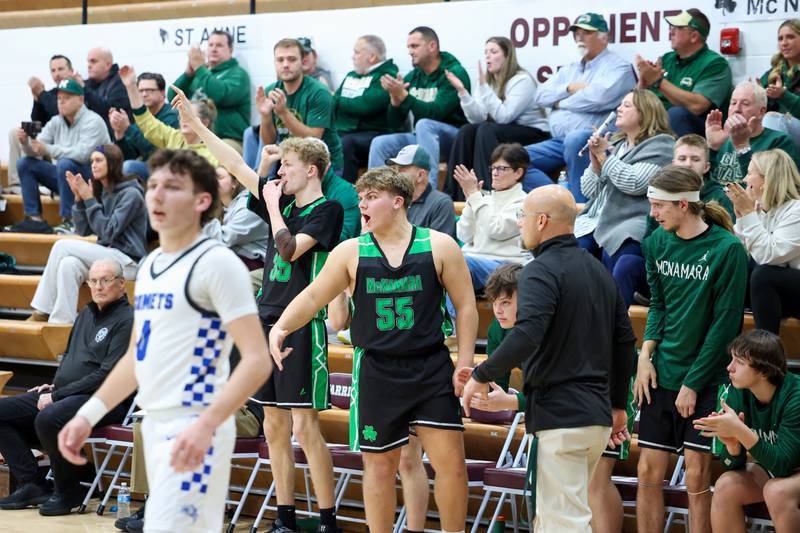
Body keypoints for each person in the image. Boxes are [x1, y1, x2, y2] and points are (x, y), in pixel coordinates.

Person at [58, 149, 272, 533]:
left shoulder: (217, 263)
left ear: (201, 201)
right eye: (153, 185)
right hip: (154, 422)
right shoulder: (151, 266)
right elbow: (135, 357)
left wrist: (207, 424)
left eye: (172, 187)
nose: (156, 194)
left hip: (197, 422)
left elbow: (257, 360)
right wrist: (87, 415)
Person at [268, 166, 478, 533]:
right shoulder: (351, 251)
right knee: (379, 467)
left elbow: (466, 305)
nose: (362, 204)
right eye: (361, 198)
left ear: (397, 202)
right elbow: (314, 296)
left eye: (371, 197)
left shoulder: (439, 245)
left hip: (430, 366)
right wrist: (282, 326)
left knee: (451, 466)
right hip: (377, 370)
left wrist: (465, 362)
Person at [461, 184, 636, 532]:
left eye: (522, 215)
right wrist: (618, 406)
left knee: (562, 523)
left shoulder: (539, 270)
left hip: (562, 416)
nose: (519, 222)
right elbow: (625, 344)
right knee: (557, 518)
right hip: (596, 417)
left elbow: (528, 334)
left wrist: (481, 374)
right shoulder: (600, 271)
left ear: (541, 221)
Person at [635, 165, 748, 533]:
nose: (653, 213)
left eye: (658, 206)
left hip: (707, 379)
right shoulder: (656, 242)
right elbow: (658, 305)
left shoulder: (728, 249)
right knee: (647, 471)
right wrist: (645, 355)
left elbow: (725, 326)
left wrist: (692, 384)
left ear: (683, 204)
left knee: (697, 475)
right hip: (662, 372)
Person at [0, 259, 133, 514]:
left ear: (121, 283)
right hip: (68, 393)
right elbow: (70, 358)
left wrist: (58, 394)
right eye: (93, 281)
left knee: (49, 418)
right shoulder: (86, 313)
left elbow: (108, 375)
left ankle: (68, 490)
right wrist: (54, 385)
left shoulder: (128, 320)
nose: (98, 286)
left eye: (105, 280)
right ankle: (32, 483)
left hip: (105, 399)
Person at [695, 329, 800, 533]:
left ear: (764, 371)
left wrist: (740, 431)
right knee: (726, 486)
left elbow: (783, 466)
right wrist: (733, 446)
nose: (729, 367)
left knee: (777, 491)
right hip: (781, 467)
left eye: (739, 362)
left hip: (788, 467)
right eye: (732, 359)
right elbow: (731, 464)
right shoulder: (738, 391)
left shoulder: (795, 396)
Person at [26, 144, 145, 324]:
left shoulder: (131, 194)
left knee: (61, 246)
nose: (93, 165)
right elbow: (83, 230)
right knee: (68, 264)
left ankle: (41, 311)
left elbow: (109, 231)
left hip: (127, 262)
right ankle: (60, 324)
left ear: (112, 163)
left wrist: (89, 199)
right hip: (106, 257)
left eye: (99, 160)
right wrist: (79, 200)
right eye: (92, 161)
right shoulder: (102, 191)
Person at [524, 13, 636, 202]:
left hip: (595, 138)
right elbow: (540, 96)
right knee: (517, 159)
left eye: (587, 32)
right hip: (559, 141)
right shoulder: (570, 69)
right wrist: (569, 88)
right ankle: (561, 201)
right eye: (577, 33)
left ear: (604, 37)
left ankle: (579, 209)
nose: (580, 37)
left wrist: (559, 102)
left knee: (575, 139)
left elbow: (599, 98)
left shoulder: (619, 67)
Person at [578, 89, 675, 305]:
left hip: (629, 224)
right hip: (597, 222)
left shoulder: (662, 145)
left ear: (645, 112)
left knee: (618, 248)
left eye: (626, 105)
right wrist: (595, 165)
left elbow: (635, 183)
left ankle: (611, 318)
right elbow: (588, 191)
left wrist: (604, 157)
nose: (619, 109)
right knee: (569, 254)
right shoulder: (618, 145)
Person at [445, 36, 549, 197]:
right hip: (503, 132)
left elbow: (504, 117)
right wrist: (462, 92)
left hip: (534, 133)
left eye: (493, 52)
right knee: (467, 130)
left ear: (507, 56)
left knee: (486, 129)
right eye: (486, 52)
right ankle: (453, 193)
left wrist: (484, 87)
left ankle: (487, 190)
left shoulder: (522, 80)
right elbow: (477, 118)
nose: (488, 56)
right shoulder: (486, 82)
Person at [367, 26, 471, 186]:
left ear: (432, 46)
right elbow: (394, 124)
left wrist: (404, 96)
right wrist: (395, 100)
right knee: (380, 143)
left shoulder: (453, 73)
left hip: (455, 139)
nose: (410, 51)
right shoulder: (413, 76)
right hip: (424, 137)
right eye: (408, 47)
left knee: (424, 125)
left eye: (414, 46)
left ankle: (428, 191)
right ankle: (376, 192)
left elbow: (436, 113)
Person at [13, 78, 110, 234]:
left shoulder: (93, 121)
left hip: (94, 181)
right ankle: (34, 219)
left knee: (65, 164)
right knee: (25, 163)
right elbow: (38, 149)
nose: (61, 102)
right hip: (67, 178)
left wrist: (47, 149)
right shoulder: (56, 121)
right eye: (59, 98)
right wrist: (26, 143)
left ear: (81, 100)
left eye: (67, 98)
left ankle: (69, 220)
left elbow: (83, 155)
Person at [727, 149, 800, 334]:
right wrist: (742, 216)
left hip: (792, 287)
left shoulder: (796, 210)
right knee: (729, 275)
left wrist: (748, 214)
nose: (745, 179)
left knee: (763, 275)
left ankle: (764, 348)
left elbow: (769, 256)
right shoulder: (760, 209)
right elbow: (737, 252)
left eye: (749, 173)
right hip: (782, 291)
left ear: (766, 180)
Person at [243, 38, 343, 173]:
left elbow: (313, 140)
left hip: (322, 165)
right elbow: (268, 141)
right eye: (280, 60)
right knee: (261, 146)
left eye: (292, 59)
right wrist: (265, 116)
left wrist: (283, 113)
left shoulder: (319, 92)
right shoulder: (271, 91)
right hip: (289, 161)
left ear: (303, 62)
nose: (285, 64)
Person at [636, 9, 732, 138]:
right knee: (629, 111)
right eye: (671, 28)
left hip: (698, 131)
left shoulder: (715, 64)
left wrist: (658, 81)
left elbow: (698, 105)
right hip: (660, 125)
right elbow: (643, 101)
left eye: (677, 28)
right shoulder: (667, 59)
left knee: (676, 114)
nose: (670, 32)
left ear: (694, 36)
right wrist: (643, 84)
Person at [453, 143, 529, 295]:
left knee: (459, 264)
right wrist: (471, 199)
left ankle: (453, 313)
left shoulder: (524, 202)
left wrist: (474, 195)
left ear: (518, 172)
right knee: (439, 260)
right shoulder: (483, 200)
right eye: (493, 168)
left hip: (506, 266)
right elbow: (464, 235)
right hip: (473, 263)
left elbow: (496, 230)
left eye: (501, 168)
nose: (495, 173)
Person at [120, 65, 218, 166]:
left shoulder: (214, 153)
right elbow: (146, 122)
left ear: (205, 123)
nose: (183, 120)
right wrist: (131, 87)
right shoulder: (174, 137)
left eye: (189, 117)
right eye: (181, 116)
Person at [706, 80, 800, 184]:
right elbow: (709, 185)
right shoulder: (725, 140)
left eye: (745, 104)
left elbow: (768, 188)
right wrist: (713, 149)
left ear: (761, 111)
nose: (736, 109)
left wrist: (742, 148)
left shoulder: (780, 141)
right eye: (733, 103)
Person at [167, 30, 251, 146]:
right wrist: (188, 75)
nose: (213, 49)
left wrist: (200, 68)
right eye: (211, 45)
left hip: (227, 140)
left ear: (230, 50)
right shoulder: (200, 73)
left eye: (219, 45)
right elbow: (172, 98)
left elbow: (219, 96)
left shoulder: (238, 74)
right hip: (195, 137)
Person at [334, 35, 399, 183]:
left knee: (346, 143)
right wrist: (343, 102)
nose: (353, 56)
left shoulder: (388, 76)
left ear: (372, 56)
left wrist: (340, 101)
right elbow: (333, 102)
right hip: (345, 133)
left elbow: (366, 106)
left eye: (357, 52)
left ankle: (344, 193)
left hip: (374, 135)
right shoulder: (351, 75)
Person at [7, 54, 74, 192]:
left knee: (46, 137)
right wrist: (37, 100)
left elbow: (60, 114)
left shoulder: (77, 92)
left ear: (71, 71)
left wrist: (42, 93)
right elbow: (37, 122)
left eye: (61, 69)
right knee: (16, 132)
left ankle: (39, 181)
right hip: (49, 137)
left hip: (65, 140)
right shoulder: (51, 93)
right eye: (53, 70)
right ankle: (16, 184)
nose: (57, 74)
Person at [111, 72, 179, 180]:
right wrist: (120, 134)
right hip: (149, 165)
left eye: (149, 90)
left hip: (168, 167)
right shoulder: (140, 118)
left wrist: (128, 128)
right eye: (140, 91)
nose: (144, 94)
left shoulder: (172, 116)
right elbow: (130, 156)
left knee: (129, 167)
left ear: (162, 93)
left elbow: (156, 149)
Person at [202, 166, 268, 271]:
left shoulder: (247, 206)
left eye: (219, 177)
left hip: (257, 264)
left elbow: (224, 239)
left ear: (234, 183)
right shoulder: (223, 209)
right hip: (239, 261)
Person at [387, 144, 456, 237]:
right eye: (395, 169)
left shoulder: (441, 203)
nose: (396, 174)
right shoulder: (393, 200)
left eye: (402, 169)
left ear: (420, 175)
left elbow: (440, 244)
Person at [760, 18, 800, 146]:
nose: (784, 43)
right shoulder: (774, 73)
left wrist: (783, 95)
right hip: (780, 132)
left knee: (772, 118)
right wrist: (757, 96)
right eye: (780, 38)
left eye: (790, 37)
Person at [75, 47, 132, 136]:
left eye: (93, 61)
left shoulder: (121, 83)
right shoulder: (88, 84)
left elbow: (109, 110)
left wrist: (84, 89)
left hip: (115, 139)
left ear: (108, 65)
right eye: (88, 62)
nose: (89, 65)